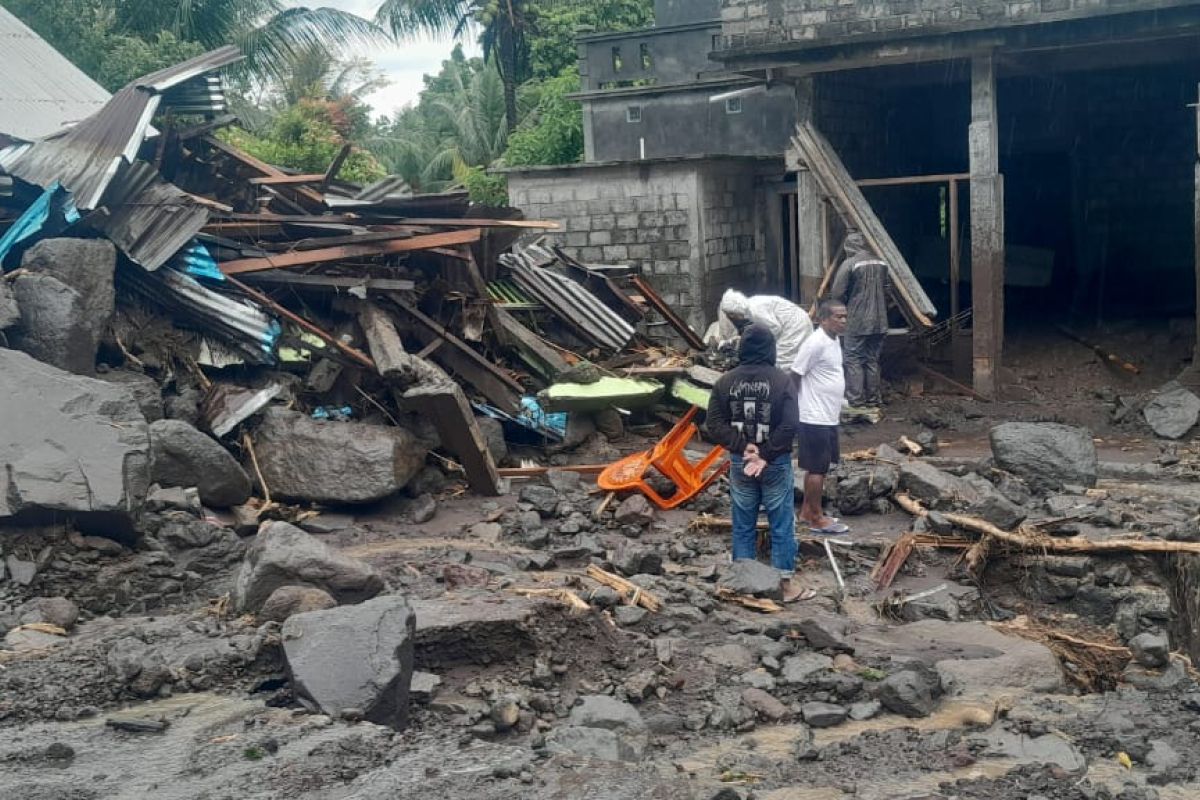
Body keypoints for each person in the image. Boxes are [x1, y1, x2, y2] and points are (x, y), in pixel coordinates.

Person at [707, 323, 814, 603]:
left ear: (742, 348)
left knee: (743, 522)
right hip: (775, 464)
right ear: (771, 348)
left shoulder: (724, 382)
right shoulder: (783, 381)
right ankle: (784, 586)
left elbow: (714, 424)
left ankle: (743, 583)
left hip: (742, 463)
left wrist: (744, 447)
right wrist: (764, 454)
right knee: (781, 523)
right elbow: (790, 425)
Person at [791, 300, 850, 535]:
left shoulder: (834, 341)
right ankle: (816, 518)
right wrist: (793, 409)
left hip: (828, 415)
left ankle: (807, 511)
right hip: (814, 416)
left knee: (820, 468)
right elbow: (795, 375)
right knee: (817, 468)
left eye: (845, 317)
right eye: (838, 317)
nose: (843, 321)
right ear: (823, 319)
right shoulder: (815, 343)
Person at [831, 232, 890, 409]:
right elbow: (888, 289)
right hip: (880, 321)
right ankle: (874, 400)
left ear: (849, 247)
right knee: (872, 359)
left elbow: (837, 293)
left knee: (853, 359)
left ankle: (856, 401)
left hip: (858, 321)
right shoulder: (881, 262)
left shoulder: (849, 264)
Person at [713, 289, 814, 371]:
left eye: (729, 315)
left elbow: (774, 329)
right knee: (792, 358)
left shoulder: (755, 312)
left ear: (733, 313)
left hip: (794, 327)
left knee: (782, 362)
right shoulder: (749, 306)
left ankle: (785, 387)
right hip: (795, 322)